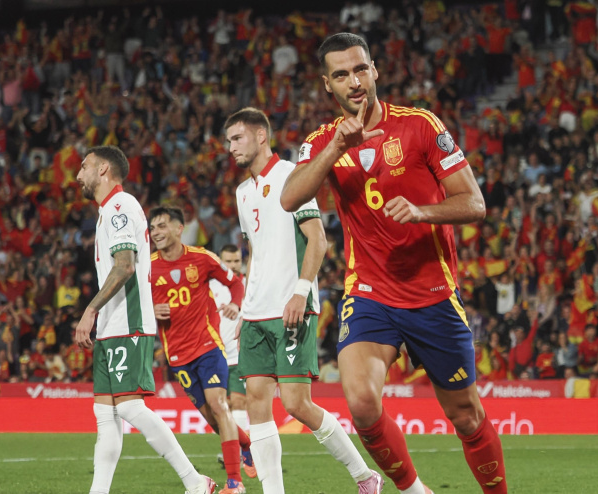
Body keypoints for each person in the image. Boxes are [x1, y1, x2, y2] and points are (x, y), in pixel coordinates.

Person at [280, 33, 507, 493]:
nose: (354, 81)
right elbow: (290, 197)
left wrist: (424, 212)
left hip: (432, 296)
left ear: (375, 70)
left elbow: (476, 203)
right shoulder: (322, 141)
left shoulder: (420, 125)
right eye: (341, 74)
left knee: (466, 416)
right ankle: (413, 491)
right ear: (328, 85)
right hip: (370, 295)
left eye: (360, 69)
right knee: (361, 403)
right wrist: (335, 149)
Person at [225, 107, 382, 494]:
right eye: (228, 141)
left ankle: (365, 475)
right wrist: (245, 308)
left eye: (237, 138)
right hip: (257, 313)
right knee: (256, 403)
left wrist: (300, 291)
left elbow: (318, 238)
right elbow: (255, 255)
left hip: (291, 308)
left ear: (262, 136)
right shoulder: (242, 193)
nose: (231, 148)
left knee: (296, 404)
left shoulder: (293, 178)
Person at [73, 145, 215, 494]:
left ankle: (195, 482)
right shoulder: (108, 211)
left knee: (132, 408)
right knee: (105, 416)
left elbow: (125, 265)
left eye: (85, 165)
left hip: (127, 322)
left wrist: (90, 309)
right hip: (111, 326)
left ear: (104, 169)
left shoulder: (121, 206)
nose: (78, 173)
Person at [149, 206, 256, 493]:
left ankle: (234, 482)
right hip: (178, 356)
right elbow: (135, 309)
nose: (156, 232)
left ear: (178, 228)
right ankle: (246, 445)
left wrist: (235, 304)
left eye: (161, 226)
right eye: (153, 228)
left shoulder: (202, 258)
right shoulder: (146, 269)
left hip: (208, 346)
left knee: (220, 406)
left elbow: (235, 284)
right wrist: (151, 312)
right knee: (212, 417)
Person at [208, 244, 250, 435]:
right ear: (220, 261)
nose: (233, 265)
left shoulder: (250, 284)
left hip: (241, 354)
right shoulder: (210, 286)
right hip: (215, 354)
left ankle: (244, 454)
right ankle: (235, 447)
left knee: (241, 401)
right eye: (228, 261)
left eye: (237, 261)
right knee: (221, 405)